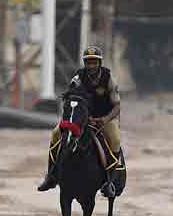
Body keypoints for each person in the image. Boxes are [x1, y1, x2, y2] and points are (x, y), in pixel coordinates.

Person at [37, 46, 121, 198]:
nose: (91, 66)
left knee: (115, 139)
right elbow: (68, 98)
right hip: (82, 117)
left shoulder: (109, 79)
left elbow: (117, 106)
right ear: (84, 63)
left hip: (105, 118)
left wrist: (104, 120)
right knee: (55, 133)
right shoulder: (77, 78)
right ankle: (51, 176)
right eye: (88, 62)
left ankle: (109, 182)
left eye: (94, 62)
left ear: (99, 63)